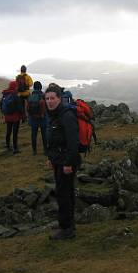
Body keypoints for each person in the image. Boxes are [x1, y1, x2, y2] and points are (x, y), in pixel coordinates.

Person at [45, 83, 81, 240]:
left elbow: (73, 143)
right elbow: (54, 141)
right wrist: (50, 158)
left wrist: (68, 163)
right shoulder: (54, 115)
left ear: (60, 99)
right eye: (47, 98)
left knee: (63, 194)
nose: (49, 101)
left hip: (66, 162)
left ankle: (65, 228)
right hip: (59, 160)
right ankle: (69, 225)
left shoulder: (66, 115)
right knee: (67, 193)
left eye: (53, 98)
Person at [0, 80, 23, 154]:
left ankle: (7, 146)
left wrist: (4, 114)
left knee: (8, 131)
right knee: (15, 133)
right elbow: (20, 107)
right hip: (15, 117)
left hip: (8, 117)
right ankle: (15, 149)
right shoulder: (16, 95)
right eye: (16, 86)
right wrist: (22, 116)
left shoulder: (5, 94)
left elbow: (1, 105)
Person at [26, 81, 48, 155]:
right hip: (42, 118)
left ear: (34, 87)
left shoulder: (30, 96)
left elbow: (27, 108)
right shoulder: (43, 96)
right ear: (41, 87)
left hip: (33, 118)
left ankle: (34, 151)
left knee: (33, 134)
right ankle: (45, 150)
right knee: (44, 134)